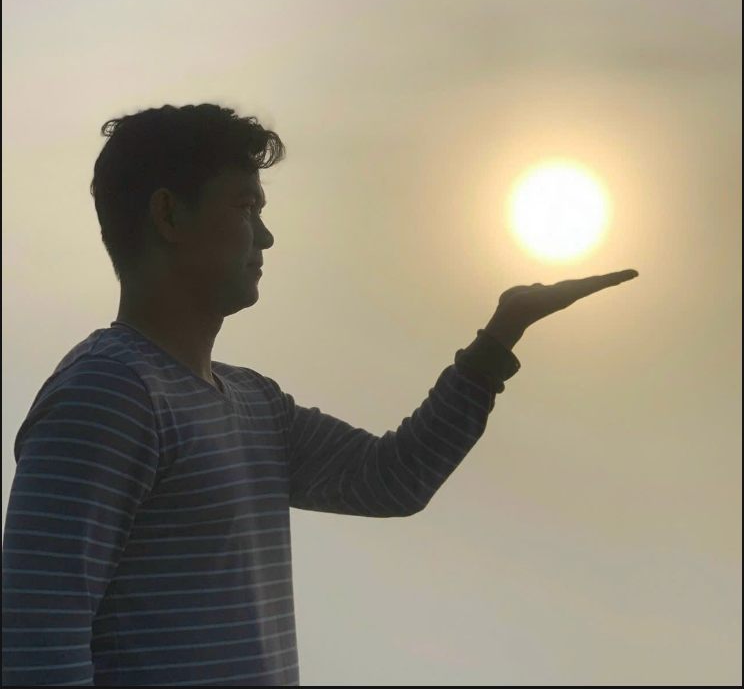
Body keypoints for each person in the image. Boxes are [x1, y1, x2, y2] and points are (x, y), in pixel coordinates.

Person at [1, 103, 638, 686]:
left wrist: (499, 339)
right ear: (169, 215)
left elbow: (391, 480)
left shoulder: (254, 403)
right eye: (245, 208)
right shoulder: (108, 394)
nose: (266, 237)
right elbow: (35, 643)